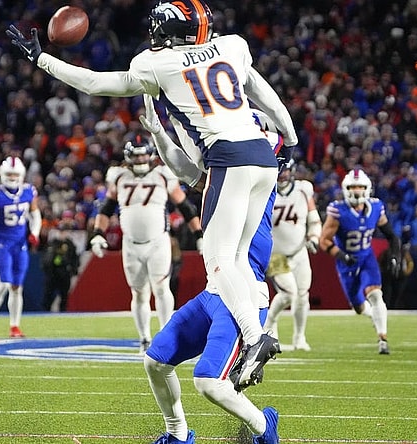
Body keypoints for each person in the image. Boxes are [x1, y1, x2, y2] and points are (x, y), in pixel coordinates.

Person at [7, 0, 297, 387]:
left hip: (228, 158)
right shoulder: (232, 46)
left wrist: (42, 58)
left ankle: (255, 335)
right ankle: (255, 325)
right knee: (239, 256)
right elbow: (263, 92)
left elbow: (95, 82)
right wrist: (290, 136)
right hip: (263, 156)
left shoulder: (156, 64)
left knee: (217, 257)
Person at [139, 96, 280, 444]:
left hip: (241, 296)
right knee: (155, 362)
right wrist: (160, 129)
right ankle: (178, 434)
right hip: (213, 292)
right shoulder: (225, 172)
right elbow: (188, 169)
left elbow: (198, 157)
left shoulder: (254, 176)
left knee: (209, 382)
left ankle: (264, 428)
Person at [89, 134, 203, 353]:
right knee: (139, 293)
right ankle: (144, 339)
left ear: (150, 156)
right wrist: (98, 233)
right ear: (128, 157)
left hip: (158, 241)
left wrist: (198, 234)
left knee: (161, 287)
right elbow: (107, 207)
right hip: (131, 244)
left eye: (143, 156)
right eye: (136, 157)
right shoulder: (119, 176)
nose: (140, 161)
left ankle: (166, 335)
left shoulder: (163, 174)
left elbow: (185, 206)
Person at [319, 168, 401, 355]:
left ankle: (383, 339)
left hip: (366, 257)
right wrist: (342, 256)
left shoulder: (376, 208)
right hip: (346, 263)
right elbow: (324, 241)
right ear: (346, 189)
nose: (356, 190)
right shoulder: (338, 210)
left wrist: (396, 255)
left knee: (376, 295)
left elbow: (392, 236)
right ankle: (374, 316)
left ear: (367, 188)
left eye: (360, 186)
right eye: (353, 187)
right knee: (358, 306)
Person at [263, 162, 321, 351]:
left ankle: (299, 337)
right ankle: (269, 324)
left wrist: (314, 236)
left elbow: (314, 219)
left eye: (285, 170)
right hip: (276, 255)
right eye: (279, 170)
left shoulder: (303, 190)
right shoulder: (264, 190)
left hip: (299, 251)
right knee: (289, 294)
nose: (282, 174)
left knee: (303, 296)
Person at [0, 156, 41, 338]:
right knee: (3, 284)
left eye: (15, 174)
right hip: (1, 243)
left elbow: (35, 214)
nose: (12, 178)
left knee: (17, 286)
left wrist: (35, 233)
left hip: (20, 243)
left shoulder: (28, 191)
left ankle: (14, 326)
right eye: (9, 174)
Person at [42, 231, 79, 312]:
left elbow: (74, 259)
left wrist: (73, 270)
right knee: (48, 294)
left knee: (64, 295)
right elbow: (46, 258)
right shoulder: (53, 244)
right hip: (52, 273)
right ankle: (45, 312)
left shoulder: (70, 245)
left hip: (64, 273)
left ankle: (63, 312)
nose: (63, 234)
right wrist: (47, 269)